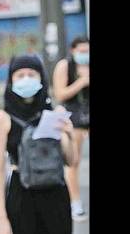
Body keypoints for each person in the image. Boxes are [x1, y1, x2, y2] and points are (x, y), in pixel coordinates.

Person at [0, 54, 76, 234]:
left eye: (32, 74)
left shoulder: (55, 114)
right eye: (20, 75)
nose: (26, 79)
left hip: (56, 193)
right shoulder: (2, 119)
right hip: (21, 194)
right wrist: (0, 217)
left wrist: (69, 134)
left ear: (41, 79)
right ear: (11, 80)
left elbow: (71, 161)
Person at [52, 36, 90, 221]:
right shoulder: (65, 66)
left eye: (87, 51)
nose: (85, 55)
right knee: (73, 162)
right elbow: (60, 94)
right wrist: (81, 82)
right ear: (73, 50)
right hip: (73, 118)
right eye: (81, 51)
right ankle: (75, 203)